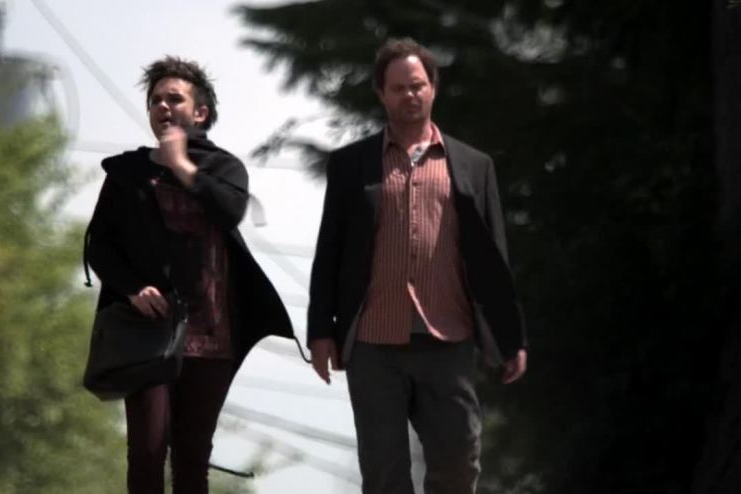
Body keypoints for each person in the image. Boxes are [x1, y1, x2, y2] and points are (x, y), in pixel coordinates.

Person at [307, 38, 528, 493]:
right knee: (384, 472)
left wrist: (511, 335)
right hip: (374, 342)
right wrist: (321, 330)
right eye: (398, 88)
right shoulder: (352, 164)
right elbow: (330, 248)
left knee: (459, 460)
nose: (409, 95)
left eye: (417, 85)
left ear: (433, 88)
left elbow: (494, 258)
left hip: (447, 338)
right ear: (381, 94)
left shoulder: (474, 165)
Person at [85, 56, 293, 493]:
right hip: (148, 330)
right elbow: (99, 245)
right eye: (155, 100)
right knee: (147, 450)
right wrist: (132, 289)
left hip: (212, 332)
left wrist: (181, 165)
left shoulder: (224, 169)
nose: (163, 106)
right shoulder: (127, 173)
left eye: (174, 99)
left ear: (200, 112)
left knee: (192, 455)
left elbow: (230, 211)